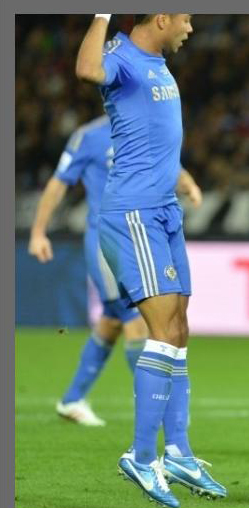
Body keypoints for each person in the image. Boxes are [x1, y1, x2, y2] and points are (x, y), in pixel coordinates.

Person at [76, 13, 223, 508]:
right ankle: (142, 457)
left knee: (178, 328)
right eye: (185, 18)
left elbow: (155, 139)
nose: (190, 27)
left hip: (164, 212)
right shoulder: (121, 58)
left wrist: (183, 181)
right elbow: (87, 69)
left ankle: (178, 450)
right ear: (160, 18)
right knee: (161, 330)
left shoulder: (157, 63)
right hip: (133, 213)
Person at [29, 115, 148, 427]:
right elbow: (58, 182)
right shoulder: (89, 136)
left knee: (111, 321)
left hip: (138, 241)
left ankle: (72, 399)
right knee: (136, 320)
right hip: (105, 243)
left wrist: (185, 182)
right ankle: (155, 408)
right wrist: (38, 231)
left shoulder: (147, 124)